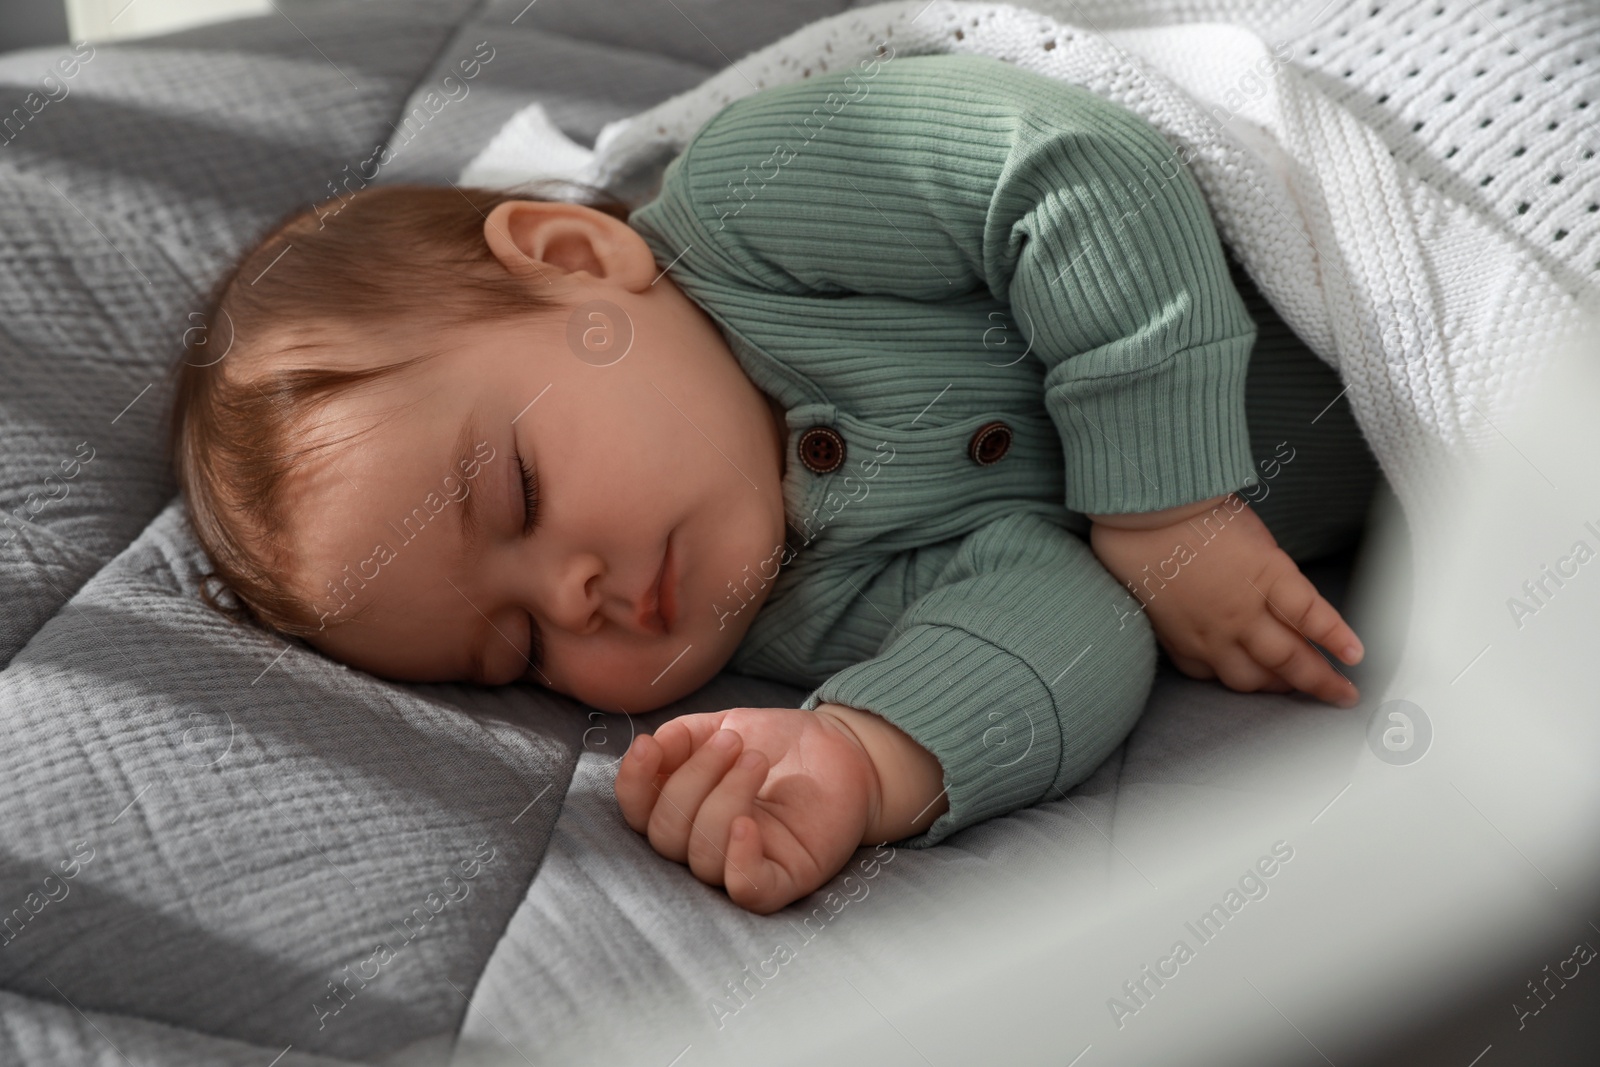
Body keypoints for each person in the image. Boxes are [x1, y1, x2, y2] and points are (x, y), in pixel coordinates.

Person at [166, 52, 1379, 916]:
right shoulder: (801, 615)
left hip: (1360, 219)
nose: (574, 596)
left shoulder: (764, 203)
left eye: (519, 494)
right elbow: (1076, 617)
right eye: (517, 649)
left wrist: (1165, 507)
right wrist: (868, 751)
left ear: (578, 259)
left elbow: (1073, 171)